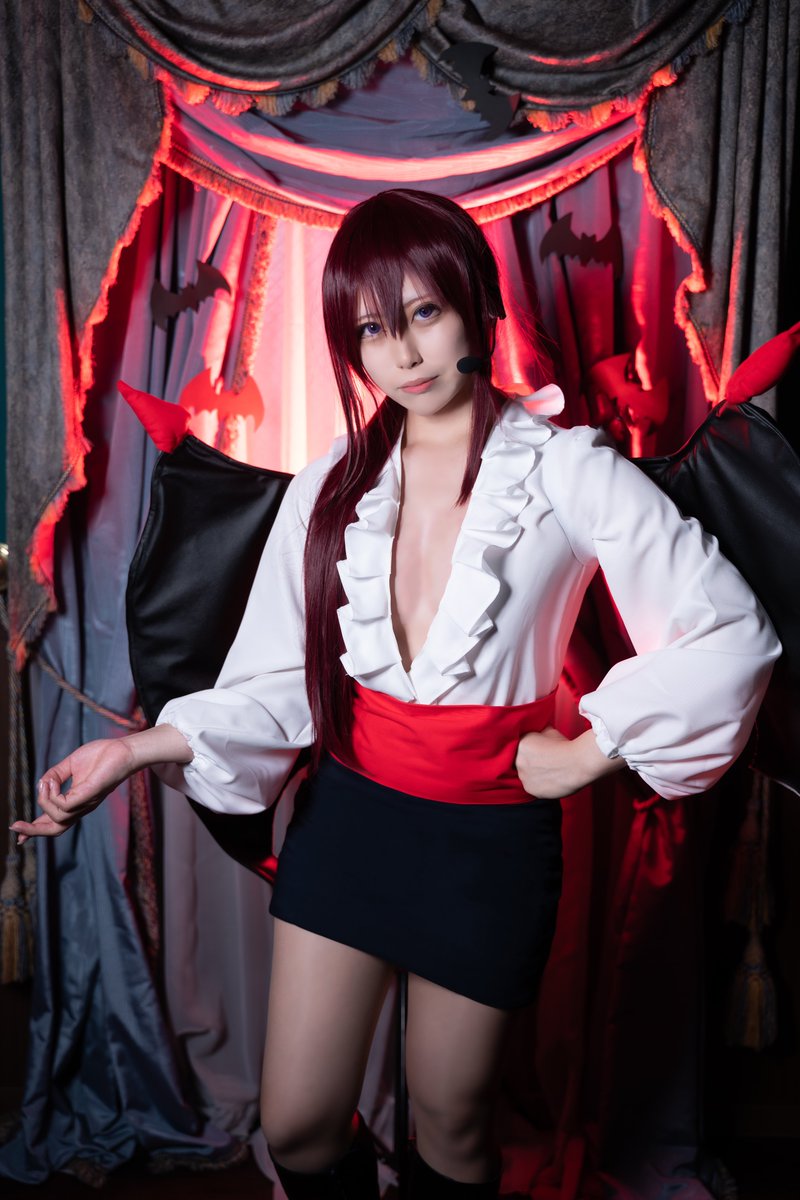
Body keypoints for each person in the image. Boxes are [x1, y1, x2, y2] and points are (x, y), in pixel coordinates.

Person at [11, 190, 780, 1199]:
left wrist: (590, 751)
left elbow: (728, 630)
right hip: (350, 822)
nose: (404, 353)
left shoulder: (566, 470)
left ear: (476, 307)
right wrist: (131, 750)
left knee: (454, 1127)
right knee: (296, 1124)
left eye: (424, 313)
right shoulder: (333, 483)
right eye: (372, 329)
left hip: (489, 842)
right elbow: (277, 681)